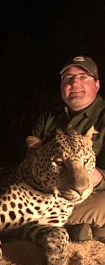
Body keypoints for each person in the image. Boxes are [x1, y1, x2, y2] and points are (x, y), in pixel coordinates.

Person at [32, 55, 105, 242]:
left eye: (83, 77)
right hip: (51, 196)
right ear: (61, 86)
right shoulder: (48, 119)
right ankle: (80, 228)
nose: (75, 83)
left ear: (97, 84)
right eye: (68, 78)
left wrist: (100, 178)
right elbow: (29, 165)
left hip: (94, 193)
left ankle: (60, 226)